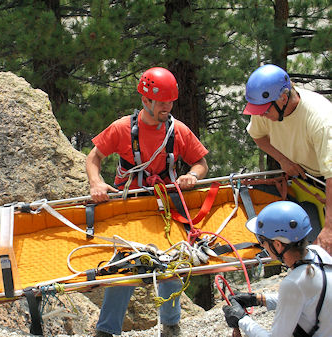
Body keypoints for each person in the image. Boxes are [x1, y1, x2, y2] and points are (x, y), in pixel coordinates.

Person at [85, 66, 209, 337]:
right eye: (162, 102)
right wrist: (96, 182)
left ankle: (171, 326)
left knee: (171, 265)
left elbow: (201, 163)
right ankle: (106, 331)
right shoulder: (122, 129)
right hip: (130, 207)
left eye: (170, 102)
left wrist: (191, 175)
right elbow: (93, 158)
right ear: (146, 100)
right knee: (125, 267)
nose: (167, 107)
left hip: (164, 208)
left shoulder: (178, 131)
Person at [243, 64, 332, 255]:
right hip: (311, 176)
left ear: (283, 98)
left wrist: (330, 230)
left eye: (265, 111)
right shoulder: (266, 108)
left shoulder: (321, 120)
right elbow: (258, 136)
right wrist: (283, 160)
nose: (261, 115)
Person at [222, 201, 332, 337]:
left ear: (278, 245)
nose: (262, 246)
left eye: (262, 241)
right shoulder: (318, 254)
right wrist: (259, 299)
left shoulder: (293, 283)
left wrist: (242, 320)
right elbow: (306, 297)